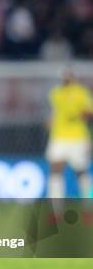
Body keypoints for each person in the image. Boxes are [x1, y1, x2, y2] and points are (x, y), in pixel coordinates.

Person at [46, 69, 92, 198]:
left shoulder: (81, 93)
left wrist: (79, 114)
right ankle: (56, 209)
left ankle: (89, 203)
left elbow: (89, 111)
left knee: (81, 172)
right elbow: (55, 112)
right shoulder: (56, 93)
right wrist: (51, 121)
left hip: (78, 137)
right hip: (59, 136)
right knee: (55, 169)